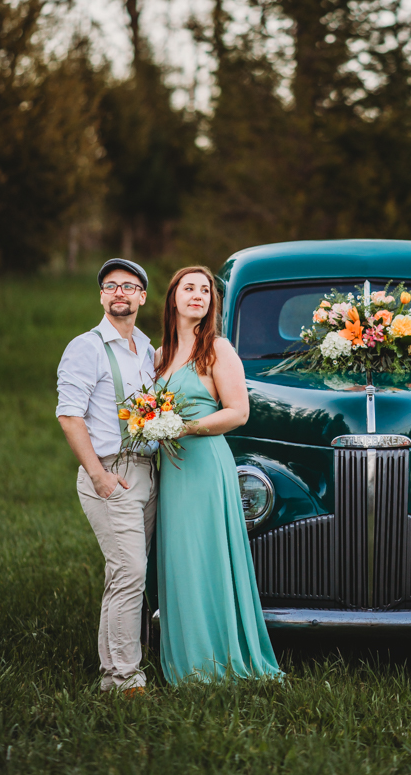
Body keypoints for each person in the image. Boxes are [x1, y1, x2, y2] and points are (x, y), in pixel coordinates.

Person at [155, 265, 282, 683]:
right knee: (179, 561)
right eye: (188, 288)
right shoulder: (160, 356)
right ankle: (186, 658)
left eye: (205, 290)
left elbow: (238, 413)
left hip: (207, 467)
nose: (198, 295)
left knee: (207, 558)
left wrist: (185, 427)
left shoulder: (218, 349)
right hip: (172, 475)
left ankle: (218, 658)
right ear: (173, 297)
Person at [56, 259, 157, 693]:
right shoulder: (86, 347)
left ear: (142, 297)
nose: (120, 293)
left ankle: (120, 663)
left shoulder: (149, 350)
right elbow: (69, 415)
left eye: (129, 286)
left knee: (127, 575)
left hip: (148, 476)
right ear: (101, 296)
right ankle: (121, 678)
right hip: (111, 475)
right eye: (111, 286)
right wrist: (98, 475)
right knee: (130, 572)